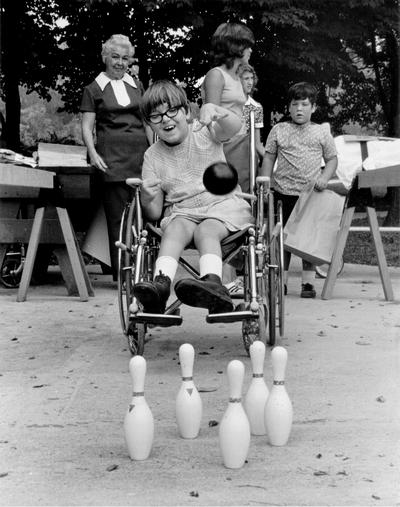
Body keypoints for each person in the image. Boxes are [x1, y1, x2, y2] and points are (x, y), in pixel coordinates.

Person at [132, 80, 253, 315]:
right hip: (183, 211)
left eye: (171, 111)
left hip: (222, 205)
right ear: (149, 124)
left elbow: (234, 127)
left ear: (186, 112)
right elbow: (155, 212)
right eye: (156, 116)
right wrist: (147, 197)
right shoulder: (152, 156)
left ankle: (213, 284)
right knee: (173, 229)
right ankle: (161, 287)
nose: (165, 119)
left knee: (205, 230)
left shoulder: (205, 130)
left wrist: (218, 112)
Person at [80, 34, 152, 280]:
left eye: (125, 58)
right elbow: (87, 126)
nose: (120, 63)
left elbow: (146, 121)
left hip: (140, 157)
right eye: (115, 57)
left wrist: (154, 151)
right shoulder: (93, 89)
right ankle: (123, 274)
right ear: (104, 57)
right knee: (118, 219)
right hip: (112, 159)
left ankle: (144, 270)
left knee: (144, 215)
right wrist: (93, 153)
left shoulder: (137, 86)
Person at [260, 81, 338, 298]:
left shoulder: (321, 132)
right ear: (289, 107)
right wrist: (265, 183)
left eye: (304, 104)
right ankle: (280, 283)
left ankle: (308, 284)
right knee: (282, 240)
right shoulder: (279, 130)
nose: (299, 109)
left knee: (307, 240)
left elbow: (332, 160)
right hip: (283, 193)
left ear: (313, 107)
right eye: (295, 104)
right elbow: (268, 158)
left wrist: (324, 177)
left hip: (310, 195)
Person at [201, 22, 255, 193]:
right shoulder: (216, 75)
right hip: (224, 145)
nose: (250, 50)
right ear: (236, 46)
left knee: (243, 194)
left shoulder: (237, 76)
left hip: (242, 142)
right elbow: (210, 116)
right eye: (247, 46)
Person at [238, 63, 265, 160]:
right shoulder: (227, 103)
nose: (250, 82)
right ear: (237, 80)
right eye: (246, 79)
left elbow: (257, 144)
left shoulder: (256, 107)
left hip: (246, 158)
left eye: (252, 78)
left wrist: (272, 163)